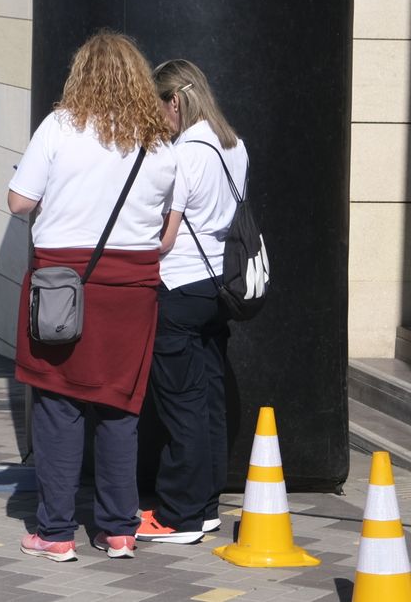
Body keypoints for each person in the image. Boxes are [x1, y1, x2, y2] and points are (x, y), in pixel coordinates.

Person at [7, 31, 177, 562]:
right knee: (120, 406)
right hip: (133, 290)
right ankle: (118, 530)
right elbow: (164, 225)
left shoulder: (60, 127)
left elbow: (18, 202)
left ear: (80, 74)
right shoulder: (158, 142)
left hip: (64, 282)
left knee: (58, 403)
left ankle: (56, 532)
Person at [137, 60, 245, 545]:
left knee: (181, 404)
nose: (157, 118)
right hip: (219, 287)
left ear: (175, 101)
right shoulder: (234, 145)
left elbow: (166, 237)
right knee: (209, 401)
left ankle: (178, 516)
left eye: (157, 106)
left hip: (179, 287)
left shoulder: (184, 154)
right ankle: (204, 508)